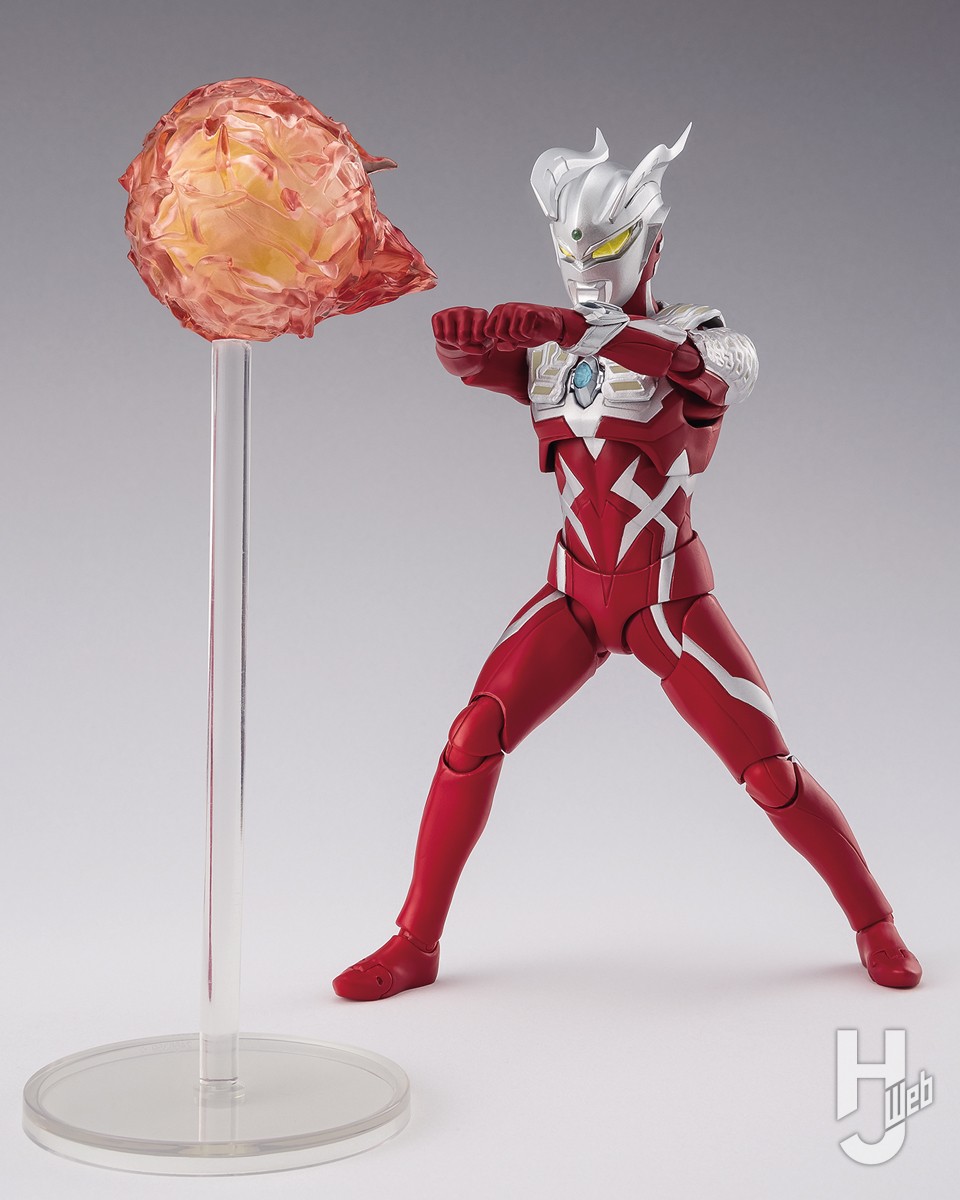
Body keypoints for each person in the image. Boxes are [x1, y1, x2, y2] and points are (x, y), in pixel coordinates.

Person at [333, 126, 921, 999]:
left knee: (769, 773)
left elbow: (709, 373)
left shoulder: (695, 335)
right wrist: (460, 344)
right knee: (471, 737)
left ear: (651, 244)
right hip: (571, 594)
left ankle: (875, 923)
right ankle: (414, 943)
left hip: (667, 600)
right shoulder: (550, 352)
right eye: (568, 249)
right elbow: (486, 368)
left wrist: (583, 328)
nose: (583, 266)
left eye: (604, 248)